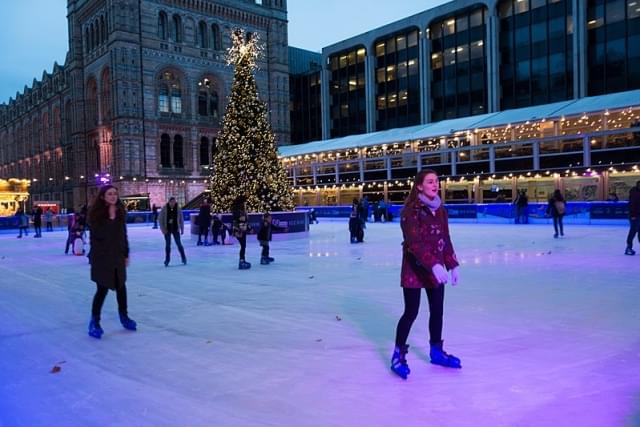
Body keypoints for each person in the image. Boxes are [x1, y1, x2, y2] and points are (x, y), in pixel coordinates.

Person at [391, 169, 461, 380]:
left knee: (437, 311)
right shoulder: (411, 211)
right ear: (419, 186)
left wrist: (452, 264)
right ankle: (398, 355)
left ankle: (436, 351)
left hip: (435, 269)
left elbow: (445, 239)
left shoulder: (441, 210)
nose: (435, 184)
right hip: (415, 268)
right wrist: (434, 265)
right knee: (411, 312)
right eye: (430, 182)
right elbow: (414, 243)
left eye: (437, 181)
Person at [87, 185, 136, 339]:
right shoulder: (96, 215)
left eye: (115, 193)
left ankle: (124, 316)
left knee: (121, 286)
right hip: (102, 258)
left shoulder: (121, 212)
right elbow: (98, 237)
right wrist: (109, 217)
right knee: (102, 289)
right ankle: (94, 321)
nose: (113, 196)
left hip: (117, 256)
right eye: (110, 194)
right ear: (103, 197)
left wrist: (126, 253)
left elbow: (123, 235)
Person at [158, 197, 187, 267]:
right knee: (168, 245)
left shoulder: (178, 208)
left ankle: (184, 258)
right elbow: (160, 219)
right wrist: (163, 229)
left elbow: (181, 219)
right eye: (172, 202)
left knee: (179, 244)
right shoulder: (164, 208)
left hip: (175, 229)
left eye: (174, 202)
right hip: (167, 229)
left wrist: (182, 228)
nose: (173, 203)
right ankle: (167, 260)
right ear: (169, 202)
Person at [232, 195, 251, 270]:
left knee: (243, 246)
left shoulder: (240, 209)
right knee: (243, 246)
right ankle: (241, 261)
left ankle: (242, 260)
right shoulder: (238, 210)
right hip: (239, 230)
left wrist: (248, 228)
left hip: (242, 229)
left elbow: (244, 220)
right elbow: (240, 220)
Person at [625, 180, 640, 255]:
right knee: (634, 231)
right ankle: (629, 247)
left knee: (635, 231)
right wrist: (633, 215)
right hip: (635, 215)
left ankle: (629, 247)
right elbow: (632, 204)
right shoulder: (635, 193)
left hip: (636, 215)